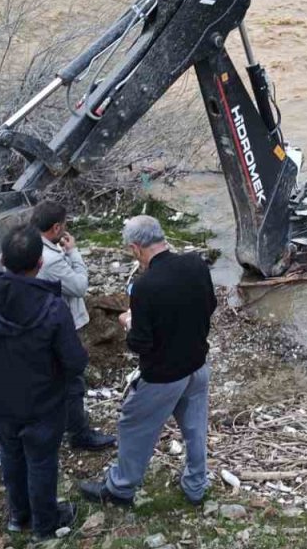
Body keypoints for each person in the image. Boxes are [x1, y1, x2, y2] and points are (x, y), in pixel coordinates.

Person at [0, 224, 83, 540]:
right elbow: (75, 362)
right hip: (42, 403)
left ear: (1, 259)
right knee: (41, 460)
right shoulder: (53, 307)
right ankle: (44, 525)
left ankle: (18, 515)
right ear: (40, 264)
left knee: (11, 453)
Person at [77, 215, 216, 507]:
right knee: (195, 429)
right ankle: (196, 485)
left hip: (162, 376)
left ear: (136, 248)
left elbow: (140, 344)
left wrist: (130, 321)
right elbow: (210, 305)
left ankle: (120, 489)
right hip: (197, 365)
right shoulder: (196, 264)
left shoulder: (144, 286)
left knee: (133, 426)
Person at [30, 201, 116, 451]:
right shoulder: (50, 259)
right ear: (57, 228)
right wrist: (74, 253)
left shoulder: (26, 244)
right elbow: (79, 287)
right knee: (72, 381)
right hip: (60, 326)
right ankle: (79, 433)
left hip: (36, 322)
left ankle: (53, 421)